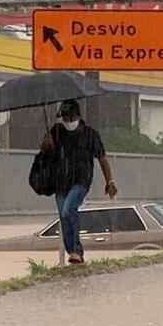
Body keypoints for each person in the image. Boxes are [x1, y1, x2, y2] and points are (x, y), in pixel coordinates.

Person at [41, 99, 117, 264]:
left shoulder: (90, 135)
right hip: (60, 183)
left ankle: (76, 250)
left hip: (80, 182)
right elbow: (46, 153)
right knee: (63, 216)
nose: (67, 121)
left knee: (69, 209)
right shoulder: (56, 132)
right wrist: (47, 146)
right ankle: (73, 254)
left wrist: (109, 181)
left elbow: (102, 159)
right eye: (64, 118)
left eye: (70, 117)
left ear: (77, 115)